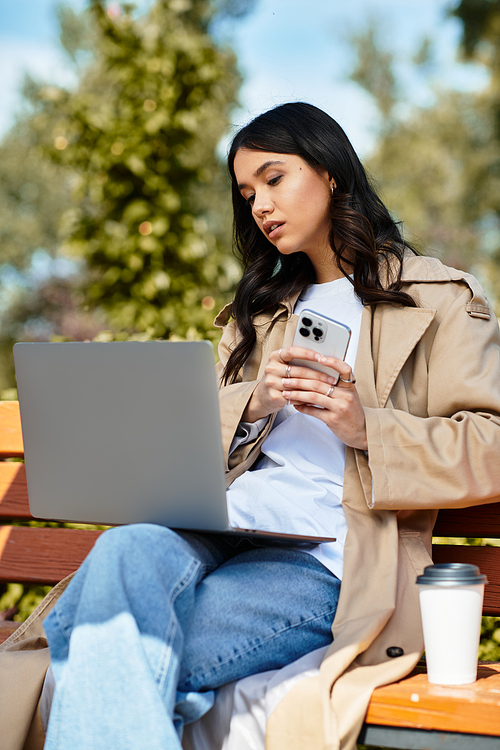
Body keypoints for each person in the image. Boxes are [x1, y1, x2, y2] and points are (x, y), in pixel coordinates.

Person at [2, 102, 500, 750]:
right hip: (221, 524)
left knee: (103, 649)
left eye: (274, 178)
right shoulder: (256, 314)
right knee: (125, 549)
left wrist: (365, 427)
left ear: (331, 174)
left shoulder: (438, 299)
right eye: (246, 192)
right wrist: (253, 403)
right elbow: (182, 448)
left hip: (323, 558)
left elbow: (491, 444)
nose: (260, 205)